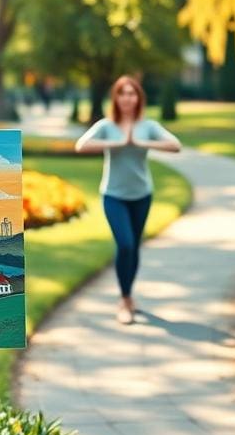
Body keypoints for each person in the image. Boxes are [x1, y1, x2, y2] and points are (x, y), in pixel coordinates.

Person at [75, 75, 181, 324]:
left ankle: (129, 296)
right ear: (116, 98)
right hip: (114, 195)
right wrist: (118, 142)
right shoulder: (106, 125)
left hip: (142, 195)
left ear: (138, 98)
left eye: (131, 93)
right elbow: (81, 145)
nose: (127, 98)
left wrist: (140, 142)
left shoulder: (148, 125)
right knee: (124, 245)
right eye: (122, 93)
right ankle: (124, 301)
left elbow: (175, 145)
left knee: (133, 247)